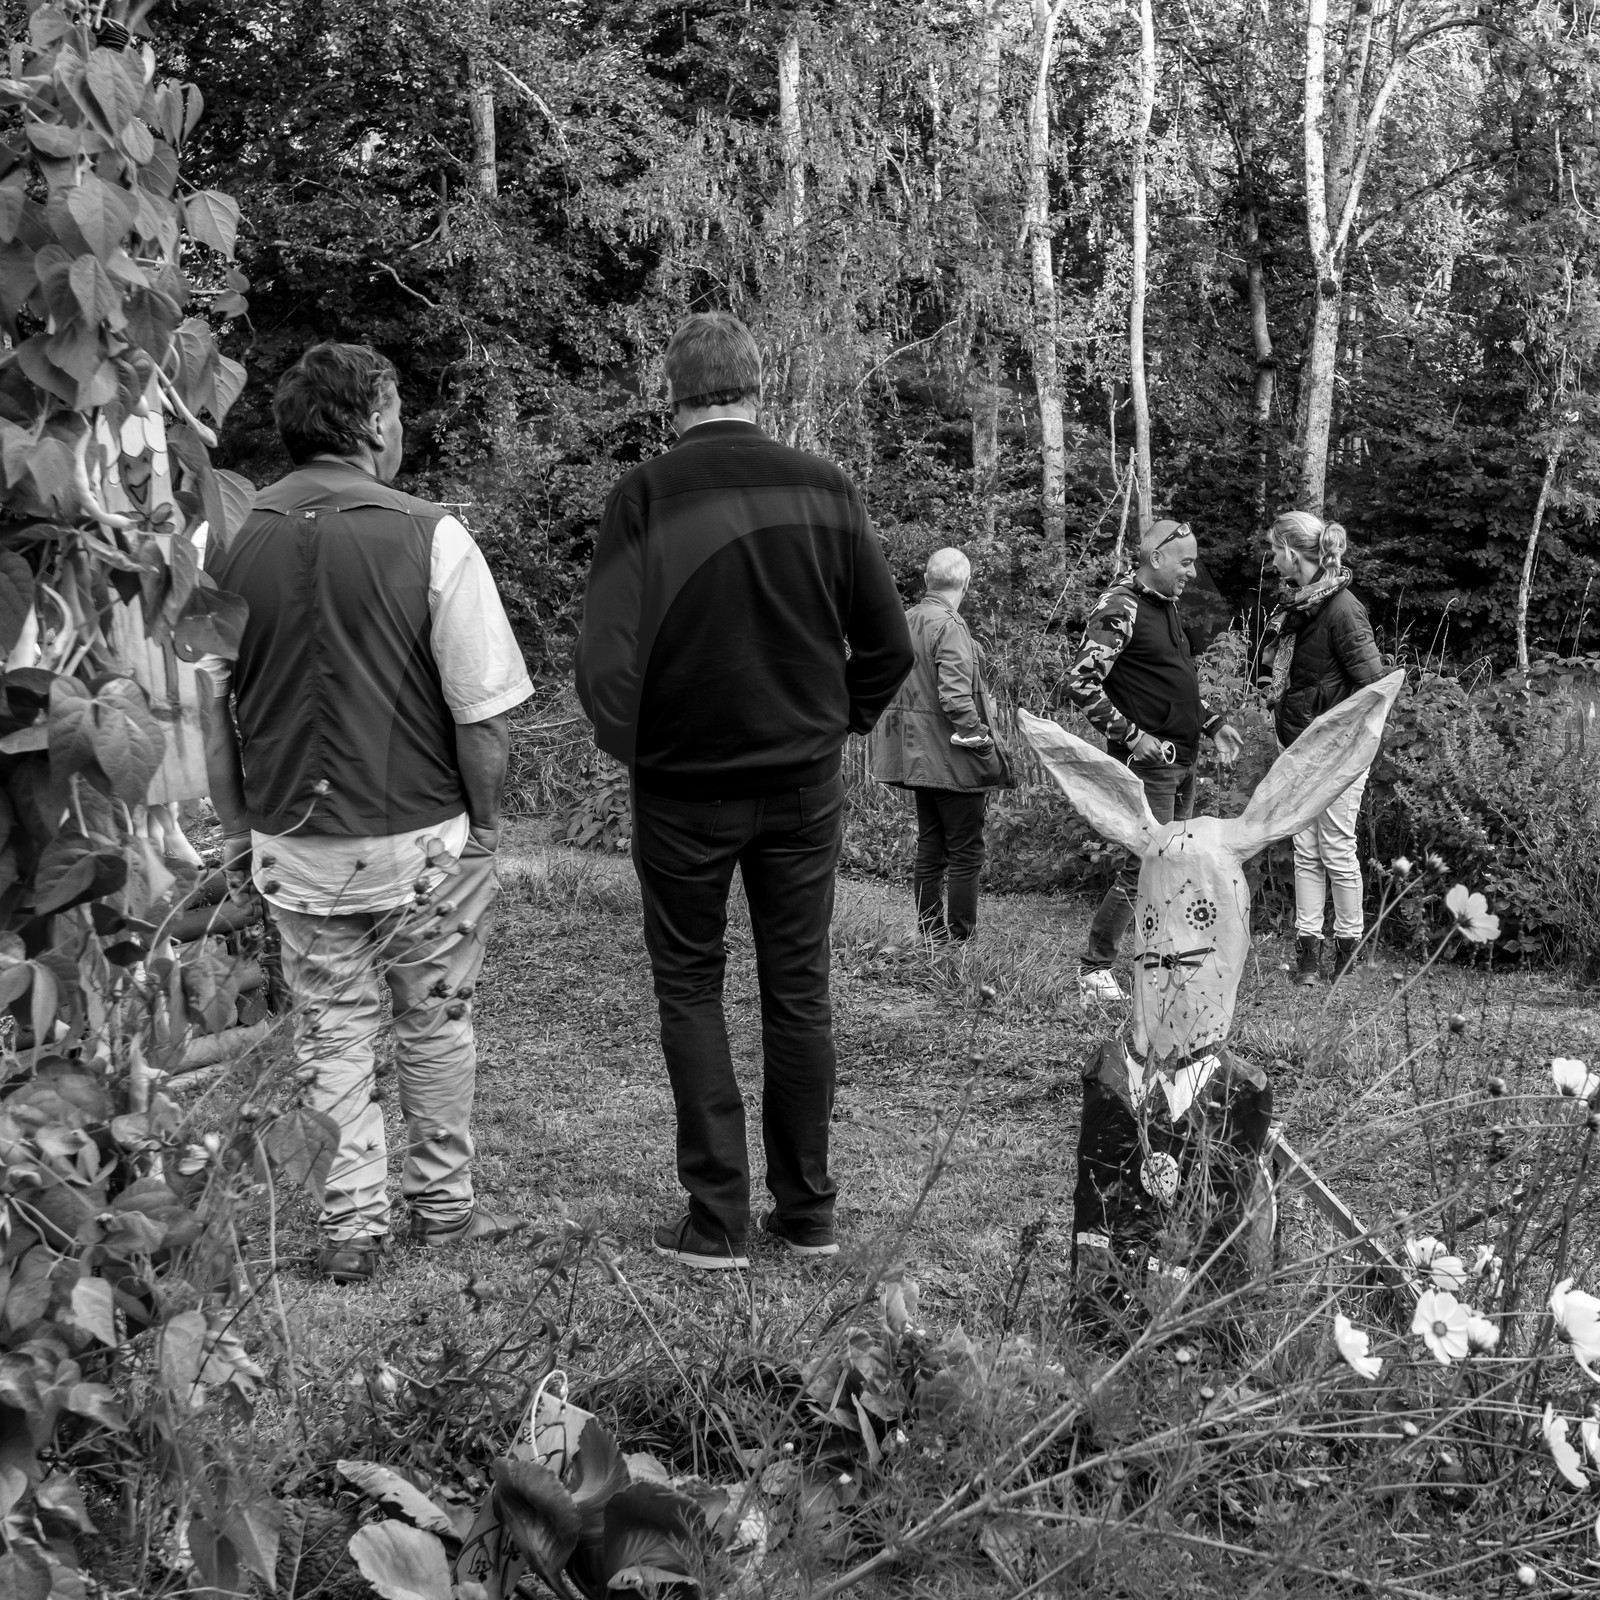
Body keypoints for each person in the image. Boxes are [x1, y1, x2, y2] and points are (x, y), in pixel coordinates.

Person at [575, 311, 913, 1271]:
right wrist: (830, 724)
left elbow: (603, 663)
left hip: (683, 788)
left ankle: (717, 1219)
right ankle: (807, 1212)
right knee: (797, 990)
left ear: (670, 392)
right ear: (756, 386)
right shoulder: (824, 488)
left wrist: (641, 748)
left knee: (691, 987)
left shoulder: (644, 495)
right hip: (802, 784)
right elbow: (888, 647)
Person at [200, 342, 533, 1285]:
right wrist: (490, 832)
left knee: (330, 1028)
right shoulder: (432, 535)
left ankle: (351, 1224)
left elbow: (207, 711)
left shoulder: (227, 536)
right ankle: (441, 1203)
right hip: (420, 833)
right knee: (435, 1016)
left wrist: (237, 828)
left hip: (293, 842)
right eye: (397, 412)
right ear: (375, 421)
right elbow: (481, 713)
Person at [1062, 519, 1243, 1002]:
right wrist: (1132, 735)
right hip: (1150, 764)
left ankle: (1160, 960)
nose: (1192, 571)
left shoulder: (1164, 609)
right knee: (1145, 865)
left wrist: (1213, 722)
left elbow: (1172, 684)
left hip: (1183, 760)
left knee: (1171, 867)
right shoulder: (1120, 607)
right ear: (1155, 557)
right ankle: (1094, 968)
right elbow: (1079, 682)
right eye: (1185, 562)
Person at [1257, 510, 1387, 985]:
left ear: (1292, 552)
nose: (1272, 559)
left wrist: (1340, 746)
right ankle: (1309, 958)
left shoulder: (1342, 608)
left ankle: (1347, 955)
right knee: (1305, 848)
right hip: (1298, 745)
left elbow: (1374, 688)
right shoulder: (1299, 605)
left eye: (1274, 550)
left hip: (1335, 753)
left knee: (1335, 848)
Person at [869, 546, 1008, 941]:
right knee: (966, 851)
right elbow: (955, 697)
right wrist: (979, 736)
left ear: (928, 581)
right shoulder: (949, 625)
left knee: (931, 847)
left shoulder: (905, 619)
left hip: (914, 756)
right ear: (965, 582)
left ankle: (932, 938)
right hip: (950, 758)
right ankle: (961, 942)